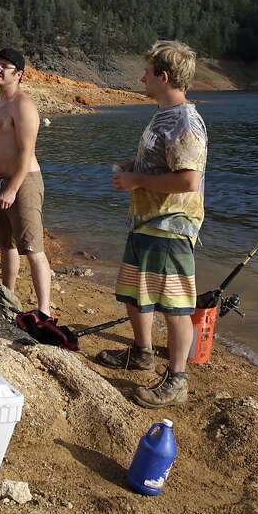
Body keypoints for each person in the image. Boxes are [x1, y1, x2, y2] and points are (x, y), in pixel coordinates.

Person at [95, 40, 208, 408]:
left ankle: (177, 380)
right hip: (146, 222)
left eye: (146, 72)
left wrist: (137, 181)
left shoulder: (185, 122)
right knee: (135, 293)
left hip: (171, 227)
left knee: (174, 305)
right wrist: (133, 167)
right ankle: (142, 353)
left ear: (163, 77)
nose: (141, 77)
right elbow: (162, 162)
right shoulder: (163, 116)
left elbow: (189, 180)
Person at [0, 48, 54, 320]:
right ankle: (8, 296)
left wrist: (13, 188)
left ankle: (44, 312)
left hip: (23, 183)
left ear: (19, 74)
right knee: (7, 244)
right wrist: (3, 184)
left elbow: (27, 152)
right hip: (3, 183)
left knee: (33, 247)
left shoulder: (23, 105)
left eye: (4, 66)